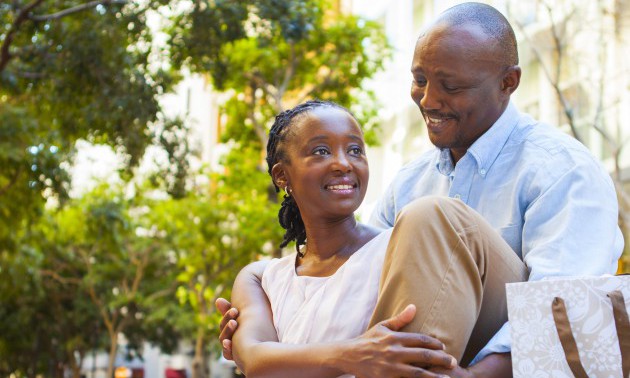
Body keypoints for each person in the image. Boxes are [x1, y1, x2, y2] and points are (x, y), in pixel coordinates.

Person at [218, 2, 623, 376]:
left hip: (506, 367)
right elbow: (360, 292)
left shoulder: (562, 171)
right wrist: (266, 326)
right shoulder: (408, 182)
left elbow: (564, 310)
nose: (429, 99)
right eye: (419, 80)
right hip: (403, 357)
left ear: (508, 82)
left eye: (451, 86)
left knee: (434, 217)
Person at [227, 99, 525, 378]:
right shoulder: (262, 278)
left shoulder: (405, 250)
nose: (343, 163)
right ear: (282, 175)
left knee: (431, 213)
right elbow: (254, 359)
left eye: (355, 150)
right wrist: (352, 354)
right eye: (321, 151)